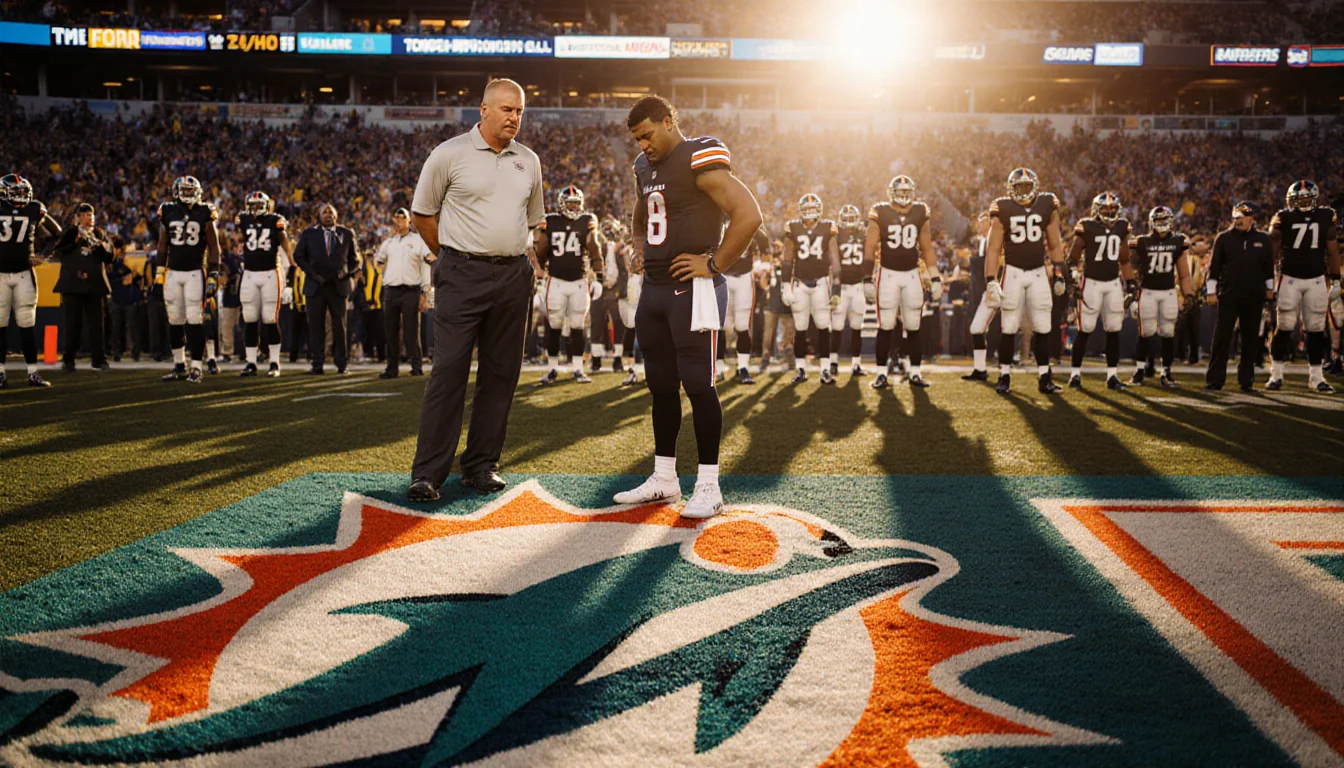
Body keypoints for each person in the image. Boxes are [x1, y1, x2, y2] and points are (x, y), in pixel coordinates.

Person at [613, 94, 764, 519]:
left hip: (693, 289)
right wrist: (640, 244)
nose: (643, 145)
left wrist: (714, 263)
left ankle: (709, 485)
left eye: (648, 135)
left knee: (698, 384)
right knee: (660, 385)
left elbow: (748, 214)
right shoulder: (645, 167)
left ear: (668, 121)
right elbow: (643, 211)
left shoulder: (699, 154)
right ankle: (663, 479)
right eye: (637, 139)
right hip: (655, 289)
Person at [406, 78, 546, 502]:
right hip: (461, 272)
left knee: (501, 374)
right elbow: (423, 215)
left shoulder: (530, 161)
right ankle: (428, 472)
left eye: (519, 111)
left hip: (512, 275)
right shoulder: (448, 153)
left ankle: (481, 464)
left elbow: (534, 219)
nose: (514, 118)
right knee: (448, 371)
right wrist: (452, 257)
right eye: (506, 109)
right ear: (483, 110)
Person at [983, 168, 1068, 395]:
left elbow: (1054, 243)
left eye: (1026, 186)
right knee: (1009, 326)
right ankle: (1004, 376)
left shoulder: (1047, 203)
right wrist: (991, 279)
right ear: (1011, 188)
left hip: (1038, 271)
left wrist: (1059, 272)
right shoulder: (1002, 207)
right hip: (1012, 272)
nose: (1022, 191)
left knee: (1043, 326)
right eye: (1018, 187)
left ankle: (1044, 377)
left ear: (1035, 186)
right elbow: (993, 247)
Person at [868, 176, 944, 389]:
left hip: (912, 274)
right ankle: (881, 373)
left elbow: (927, 247)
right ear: (891, 193)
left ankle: (915, 373)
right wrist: (867, 277)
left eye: (906, 192)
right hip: (888, 274)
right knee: (885, 325)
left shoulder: (920, 211)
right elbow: (870, 246)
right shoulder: (880, 211)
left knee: (913, 325)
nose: (903, 197)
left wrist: (935, 277)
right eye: (899, 192)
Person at [1266, 180, 1339, 393]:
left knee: (1316, 328)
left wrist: (1335, 280)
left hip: (1316, 279)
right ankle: (1276, 375)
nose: (1304, 202)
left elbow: (1333, 251)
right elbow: (1272, 251)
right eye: (1301, 199)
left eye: (1308, 199)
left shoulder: (1326, 216)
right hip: (1290, 278)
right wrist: (1268, 278)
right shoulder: (1283, 217)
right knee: (1285, 325)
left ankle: (1316, 378)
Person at [1205, 201, 1276, 392]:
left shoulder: (1264, 239)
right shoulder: (1223, 238)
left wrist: (1270, 290)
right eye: (1236, 217)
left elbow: (1268, 268)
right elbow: (1214, 269)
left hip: (1254, 295)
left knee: (1250, 339)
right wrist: (1211, 291)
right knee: (1221, 337)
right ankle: (1214, 379)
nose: (1239, 221)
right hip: (1229, 294)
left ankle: (1246, 380)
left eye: (1242, 217)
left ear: (1252, 218)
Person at [157, 175, 221, 384]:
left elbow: (214, 246)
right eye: (183, 191)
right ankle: (179, 365)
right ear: (176, 192)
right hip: (173, 273)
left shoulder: (204, 211)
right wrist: (159, 275)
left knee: (195, 320)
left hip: (195, 273)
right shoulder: (167, 211)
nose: (187, 194)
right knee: (175, 320)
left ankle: (196, 367)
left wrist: (213, 274)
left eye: (190, 190)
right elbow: (162, 245)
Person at [1066, 191, 1133, 390]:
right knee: (1085, 329)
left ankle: (1112, 375)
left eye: (1113, 209)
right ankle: (1075, 375)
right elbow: (1073, 256)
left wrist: (1130, 283)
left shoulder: (1122, 226)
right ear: (1097, 210)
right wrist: (1070, 278)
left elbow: (1125, 259)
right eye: (1105, 209)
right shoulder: (1087, 226)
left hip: (1113, 283)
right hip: (1091, 282)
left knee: (1113, 330)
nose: (1110, 212)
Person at [0, 173, 60, 388]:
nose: (21, 196)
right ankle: (0, 373)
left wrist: (44, 255)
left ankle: (33, 372)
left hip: (25, 273)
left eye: (23, 192)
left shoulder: (34, 208)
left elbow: (57, 233)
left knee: (27, 325)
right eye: (16, 192)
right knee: (0, 326)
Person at [538, 184, 599, 385]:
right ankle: (552, 369)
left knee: (577, 327)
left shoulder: (587, 221)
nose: (574, 208)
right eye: (570, 205)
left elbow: (594, 248)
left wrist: (597, 276)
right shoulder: (550, 221)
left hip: (579, 281)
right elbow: (541, 250)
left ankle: (578, 369)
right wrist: (539, 276)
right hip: (555, 280)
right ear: (561, 204)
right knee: (554, 326)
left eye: (576, 204)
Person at [1129, 206, 1194, 389]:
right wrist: (1131, 290)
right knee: (1146, 331)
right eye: (1158, 221)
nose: (1162, 225)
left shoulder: (1178, 241)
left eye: (1165, 220)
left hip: (1168, 291)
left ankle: (1166, 371)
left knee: (1168, 332)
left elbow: (1183, 273)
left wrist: (1188, 293)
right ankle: (1139, 370)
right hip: (1147, 291)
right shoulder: (1142, 242)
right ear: (1151, 223)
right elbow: (1130, 266)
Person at [291, 203, 360, 375]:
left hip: (338, 285)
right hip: (316, 285)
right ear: (319, 216)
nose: (328, 215)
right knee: (315, 326)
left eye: (331, 212)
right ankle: (317, 364)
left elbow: (356, 260)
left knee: (340, 325)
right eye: (324, 212)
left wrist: (345, 273)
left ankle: (342, 364)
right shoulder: (309, 233)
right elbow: (298, 256)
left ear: (336, 215)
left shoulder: (347, 233)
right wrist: (312, 274)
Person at [783, 193, 840, 385]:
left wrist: (836, 287)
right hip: (799, 282)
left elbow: (835, 258)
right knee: (800, 327)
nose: (809, 213)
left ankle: (825, 369)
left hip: (821, 282)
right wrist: (785, 285)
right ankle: (800, 369)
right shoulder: (793, 227)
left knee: (824, 326)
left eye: (812, 208)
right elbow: (787, 259)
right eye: (805, 209)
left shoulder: (827, 227)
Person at [52, 202, 114, 372]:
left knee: (97, 326)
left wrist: (98, 245)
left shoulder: (99, 234)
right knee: (72, 325)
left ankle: (99, 360)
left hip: (94, 285)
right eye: (85, 214)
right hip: (72, 285)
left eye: (91, 214)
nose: (89, 217)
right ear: (77, 217)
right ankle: (69, 360)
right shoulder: (70, 233)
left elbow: (110, 256)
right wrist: (75, 240)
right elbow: (57, 249)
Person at [236, 190, 291, 377]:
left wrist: (289, 276)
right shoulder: (243, 219)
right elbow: (239, 240)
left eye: (260, 205)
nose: (256, 208)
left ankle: (274, 362)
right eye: (253, 205)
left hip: (270, 273)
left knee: (270, 318)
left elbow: (286, 246)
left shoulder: (275, 220)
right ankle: (251, 362)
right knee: (249, 318)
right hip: (250, 273)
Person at [375, 207, 432, 379]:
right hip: (391, 290)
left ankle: (416, 366)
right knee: (391, 331)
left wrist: (425, 291)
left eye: (403, 217)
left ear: (409, 220)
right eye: (397, 217)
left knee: (411, 330)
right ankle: (392, 368)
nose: (399, 220)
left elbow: (427, 262)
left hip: (410, 290)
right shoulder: (389, 242)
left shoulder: (418, 240)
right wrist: (385, 275)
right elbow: (378, 261)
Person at [830, 204, 869, 377]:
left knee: (856, 327)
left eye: (852, 219)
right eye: (846, 219)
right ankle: (833, 363)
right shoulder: (836, 236)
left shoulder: (864, 235)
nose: (849, 223)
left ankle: (856, 364)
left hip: (858, 286)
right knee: (837, 326)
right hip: (841, 286)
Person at [107, 237, 142, 363]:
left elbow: (137, 277)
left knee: (131, 327)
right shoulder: (112, 264)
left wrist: (132, 276)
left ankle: (134, 352)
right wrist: (122, 279)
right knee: (117, 328)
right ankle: (117, 352)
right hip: (117, 298)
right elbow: (110, 279)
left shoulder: (128, 263)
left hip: (128, 299)